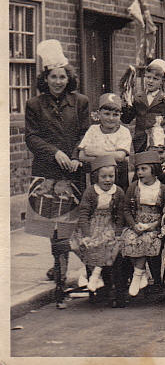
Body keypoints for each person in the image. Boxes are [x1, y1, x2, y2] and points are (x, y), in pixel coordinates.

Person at [26, 39, 89, 307]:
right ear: (46, 78)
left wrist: (75, 156)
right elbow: (31, 137)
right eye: (53, 77)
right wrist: (55, 152)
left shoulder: (81, 102)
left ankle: (98, 272)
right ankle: (60, 286)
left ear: (69, 78)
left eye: (63, 76)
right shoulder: (34, 105)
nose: (58, 81)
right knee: (54, 230)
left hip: (73, 172)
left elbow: (87, 133)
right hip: (47, 173)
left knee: (73, 227)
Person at [69, 156, 126, 305]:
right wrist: (87, 234)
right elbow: (84, 214)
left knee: (111, 246)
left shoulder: (118, 192)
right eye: (104, 177)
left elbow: (120, 214)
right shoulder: (91, 192)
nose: (108, 180)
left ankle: (110, 285)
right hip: (93, 225)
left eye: (111, 176)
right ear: (96, 177)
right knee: (88, 245)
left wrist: (118, 231)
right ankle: (97, 283)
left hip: (110, 225)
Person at [122, 151, 165, 297]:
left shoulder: (162, 189)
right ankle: (141, 273)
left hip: (154, 226)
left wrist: (154, 225)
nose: (140, 173)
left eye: (144, 169)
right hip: (136, 224)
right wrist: (133, 225)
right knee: (128, 239)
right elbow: (126, 209)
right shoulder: (134, 187)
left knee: (148, 240)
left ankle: (137, 274)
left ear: (154, 170)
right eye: (138, 169)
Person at [121, 58, 165, 153]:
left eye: (155, 79)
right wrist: (126, 103)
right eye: (148, 77)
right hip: (140, 144)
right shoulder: (138, 97)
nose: (150, 81)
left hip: (158, 144)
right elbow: (126, 119)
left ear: (162, 81)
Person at [78, 93, 132, 192]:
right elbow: (82, 155)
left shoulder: (124, 131)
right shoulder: (93, 129)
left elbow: (120, 156)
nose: (111, 118)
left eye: (115, 115)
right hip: (96, 176)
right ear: (99, 114)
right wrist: (112, 155)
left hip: (117, 176)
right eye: (107, 114)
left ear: (120, 116)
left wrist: (94, 152)